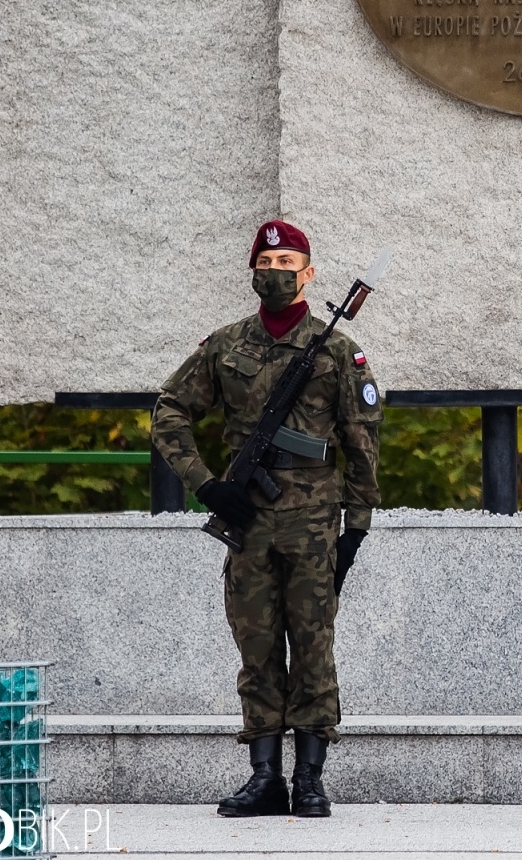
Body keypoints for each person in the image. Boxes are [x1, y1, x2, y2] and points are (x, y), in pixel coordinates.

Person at [152, 219, 382, 819]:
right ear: (253, 271)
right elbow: (169, 410)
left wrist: (355, 527)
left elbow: (361, 442)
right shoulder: (226, 345)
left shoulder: (337, 350)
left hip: (313, 524)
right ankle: (264, 777)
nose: (276, 272)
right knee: (255, 647)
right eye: (267, 262)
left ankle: (309, 779)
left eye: (287, 263)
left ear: (309, 274)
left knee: (313, 647)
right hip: (248, 518)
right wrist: (206, 484)